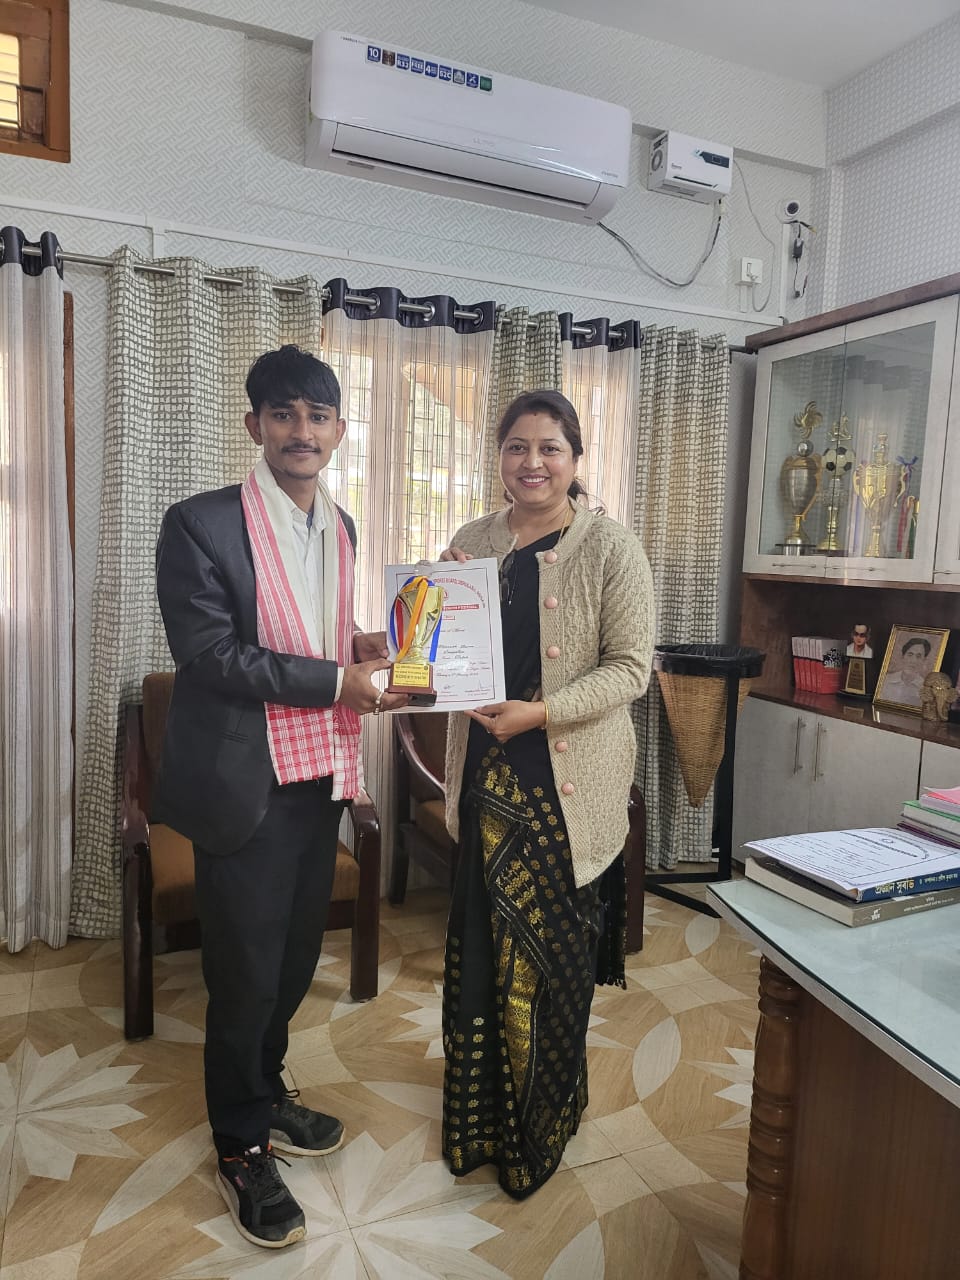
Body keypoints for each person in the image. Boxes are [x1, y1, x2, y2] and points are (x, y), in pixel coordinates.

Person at [154, 346, 406, 1249]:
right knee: (245, 974)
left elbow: (317, 629)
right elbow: (209, 655)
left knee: (295, 961)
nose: (303, 430)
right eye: (284, 413)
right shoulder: (200, 523)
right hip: (243, 785)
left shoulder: (340, 525)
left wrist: (368, 646)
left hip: (317, 778)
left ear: (338, 430)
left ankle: (263, 1096)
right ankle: (239, 1149)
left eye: (318, 415)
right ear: (254, 424)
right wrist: (338, 681)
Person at [438, 389, 655, 1198]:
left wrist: (543, 711)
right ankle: (478, 1127)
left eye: (550, 448)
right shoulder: (470, 542)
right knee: (480, 956)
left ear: (575, 459)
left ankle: (539, 1130)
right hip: (484, 778)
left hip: (566, 790)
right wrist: (424, 617)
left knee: (548, 963)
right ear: (499, 456)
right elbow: (440, 650)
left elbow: (631, 669)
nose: (532, 462)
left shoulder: (611, 547)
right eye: (517, 447)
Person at [880, 636, 932, 708]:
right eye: (910, 655)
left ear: (924, 660)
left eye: (918, 656)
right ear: (903, 656)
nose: (913, 661)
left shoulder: (925, 688)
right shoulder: (885, 681)